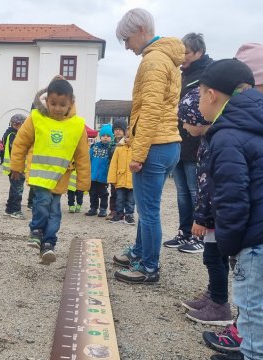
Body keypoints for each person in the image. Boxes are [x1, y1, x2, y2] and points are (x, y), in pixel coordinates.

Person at [112, 8, 183, 284]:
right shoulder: (168, 58)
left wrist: (138, 153)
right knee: (146, 206)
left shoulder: (153, 61)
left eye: (127, 39)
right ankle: (140, 252)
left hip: (155, 145)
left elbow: (151, 109)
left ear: (142, 30)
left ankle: (149, 267)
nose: (127, 46)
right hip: (168, 143)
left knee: (149, 210)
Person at [198, 58, 262, 360]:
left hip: (255, 242)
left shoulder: (226, 135)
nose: (199, 102)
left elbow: (232, 198)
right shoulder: (255, 122)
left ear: (212, 95)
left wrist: (230, 245)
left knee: (252, 313)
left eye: (199, 95)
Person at [9, 78, 91, 264]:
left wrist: (83, 183)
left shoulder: (77, 125)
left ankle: (49, 244)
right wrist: (16, 166)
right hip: (40, 176)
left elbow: (83, 156)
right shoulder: (37, 118)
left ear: (71, 103)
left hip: (60, 179)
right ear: (46, 101)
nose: (57, 108)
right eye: (53, 103)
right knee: (43, 202)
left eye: (62, 104)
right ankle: (36, 231)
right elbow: (21, 142)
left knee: (55, 212)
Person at [177, 86, 232, 327]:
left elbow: (208, 185)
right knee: (214, 258)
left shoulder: (214, 143)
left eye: (186, 122)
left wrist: (201, 218)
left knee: (214, 257)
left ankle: (220, 304)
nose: (184, 129)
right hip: (214, 216)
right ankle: (213, 294)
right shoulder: (208, 140)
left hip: (214, 217)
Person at [164, 33, 213, 253]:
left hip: (197, 142)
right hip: (179, 139)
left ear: (199, 52)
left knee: (196, 191)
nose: (182, 56)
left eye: (186, 52)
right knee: (182, 191)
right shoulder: (182, 74)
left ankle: (199, 236)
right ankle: (184, 232)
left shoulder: (208, 74)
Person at [107, 126, 135, 225]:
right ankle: (118, 214)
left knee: (131, 200)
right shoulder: (119, 148)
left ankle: (129, 215)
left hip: (133, 179)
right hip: (120, 178)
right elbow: (113, 164)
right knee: (119, 198)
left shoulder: (137, 148)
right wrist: (112, 178)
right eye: (127, 137)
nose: (128, 139)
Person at [85, 124, 113, 217]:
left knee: (103, 194)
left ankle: (103, 209)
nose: (105, 138)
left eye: (108, 136)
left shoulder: (111, 148)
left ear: (111, 137)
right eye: (103, 136)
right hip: (93, 175)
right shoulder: (94, 147)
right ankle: (93, 208)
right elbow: (89, 159)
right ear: (100, 136)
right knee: (92, 193)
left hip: (104, 176)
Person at [2, 114, 27, 219]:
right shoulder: (13, 135)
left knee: (14, 188)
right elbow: (17, 151)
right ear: (17, 124)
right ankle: (16, 210)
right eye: (24, 125)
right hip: (16, 167)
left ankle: (9, 209)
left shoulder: (9, 133)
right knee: (18, 189)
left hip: (12, 167)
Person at [106, 118, 127, 220]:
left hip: (124, 172)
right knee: (114, 193)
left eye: (120, 129)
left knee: (124, 194)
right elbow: (108, 159)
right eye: (115, 129)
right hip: (114, 172)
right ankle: (113, 211)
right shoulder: (110, 144)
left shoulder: (128, 143)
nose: (117, 131)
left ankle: (124, 212)